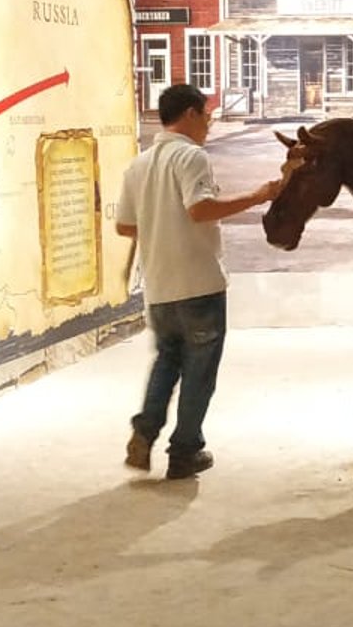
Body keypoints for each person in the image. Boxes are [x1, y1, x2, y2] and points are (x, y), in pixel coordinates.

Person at [115, 83, 280, 479]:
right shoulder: (191, 157)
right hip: (199, 284)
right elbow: (200, 209)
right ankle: (185, 451)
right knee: (199, 373)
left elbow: (124, 226)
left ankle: (145, 430)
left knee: (166, 361)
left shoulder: (138, 164)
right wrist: (259, 195)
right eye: (206, 114)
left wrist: (159, 225)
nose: (208, 123)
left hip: (158, 286)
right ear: (189, 113)